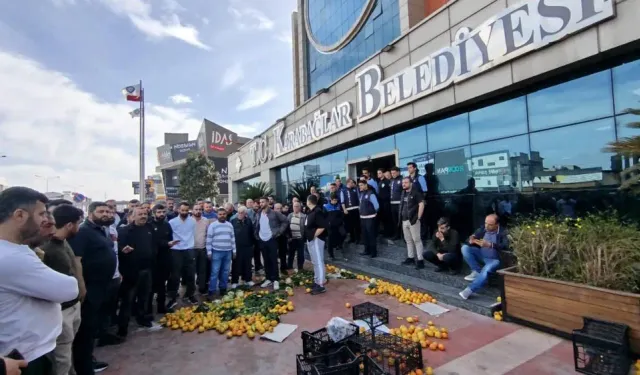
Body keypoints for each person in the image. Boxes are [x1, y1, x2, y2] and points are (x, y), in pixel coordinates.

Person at [0, 187, 79, 375]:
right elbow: (68, 289)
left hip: (28, 351)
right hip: (25, 357)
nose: (47, 220)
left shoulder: (16, 250)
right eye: (42, 214)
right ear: (19, 215)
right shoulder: (10, 257)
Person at [67, 201, 117, 375]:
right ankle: (84, 367)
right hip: (90, 287)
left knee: (93, 326)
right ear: (90, 213)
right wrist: (81, 286)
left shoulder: (100, 230)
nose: (106, 214)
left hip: (103, 285)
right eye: (101, 211)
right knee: (85, 330)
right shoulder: (83, 232)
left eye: (108, 211)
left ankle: (88, 360)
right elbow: (76, 260)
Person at [41, 204, 85, 375]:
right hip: (61, 310)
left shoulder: (63, 242)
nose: (79, 227)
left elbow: (73, 264)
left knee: (68, 349)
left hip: (73, 306)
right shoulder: (46, 249)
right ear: (69, 225)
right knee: (61, 357)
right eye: (78, 223)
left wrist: (81, 287)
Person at [116, 207, 155, 337]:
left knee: (144, 297)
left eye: (145, 214)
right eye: (140, 214)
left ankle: (142, 318)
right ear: (132, 216)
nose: (143, 216)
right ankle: (123, 327)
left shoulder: (149, 228)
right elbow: (119, 247)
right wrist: (123, 250)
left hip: (147, 269)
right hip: (131, 271)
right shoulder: (124, 230)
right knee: (128, 300)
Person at [459, 214, 508, 300]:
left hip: (494, 259)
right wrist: (472, 238)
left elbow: (505, 246)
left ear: (497, 225)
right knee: (465, 248)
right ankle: (477, 271)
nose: (487, 226)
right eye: (486, 223)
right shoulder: (483, 229)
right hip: (481, 255)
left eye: (490, 224)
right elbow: (471, 238)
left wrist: (491, 245)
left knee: (486, 270)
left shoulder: (503, 232)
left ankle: (469, 290)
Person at [254, 197, 288, 291]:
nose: (261, 204)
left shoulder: (275, 213)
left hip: (272, 239)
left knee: (273, 259)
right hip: (262, 240)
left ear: (268, 202)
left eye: (263, 202)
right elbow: (256, 225)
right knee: (266, 260)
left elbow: (285, 221)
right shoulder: (258, 213)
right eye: (260, 202)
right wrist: (257, 235)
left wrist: (279, 232)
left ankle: (276, 279)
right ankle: (268, 278)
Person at [167, 202, 197, 307]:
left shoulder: (192, 221)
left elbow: (192, 234)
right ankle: (173, 296)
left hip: (189, 249)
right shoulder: (172, 222)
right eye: (182, 210)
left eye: (186, 210)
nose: (184, 212)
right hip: (176, 250)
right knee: (175, 275)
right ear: (178, 210)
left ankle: (190, 294)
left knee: (190, 274)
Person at [148, 204, 174, 315]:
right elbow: (151, 241)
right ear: (154, 213)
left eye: (163, 212)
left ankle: (161, 307)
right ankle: (147, 310)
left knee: (162, 285)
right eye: (159, 212)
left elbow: (170, 240)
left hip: (165, 258)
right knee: (150, 286)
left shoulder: (167, 225)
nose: (161, 214)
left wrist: (168, 244)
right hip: (152, 259)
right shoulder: (148, 225)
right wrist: (165, 243)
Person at [206, 208, 236, 297]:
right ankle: (212, 290)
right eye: (220, 214)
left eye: (224, 214)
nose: (222, 216)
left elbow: (233, 238)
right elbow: (209, 239)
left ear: (226, 215)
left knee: (226, 271)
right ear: (217, 215)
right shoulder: (213, 225)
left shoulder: (230, 225)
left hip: (228, 252)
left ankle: (223, 288)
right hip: (216, 252)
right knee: (215, 271)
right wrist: (209, 252)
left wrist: (234, 251)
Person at [399, 176, 426, 269]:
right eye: (403, 183)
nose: (404, 184)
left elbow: (421, 204)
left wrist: (418, 217)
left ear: (411, 183)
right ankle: (410, 257)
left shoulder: (416, 193)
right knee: (408, 241)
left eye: (406, 182)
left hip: (413, 220)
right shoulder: (403, 193)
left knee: (417, 240)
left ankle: (420, 260)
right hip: (404, 220)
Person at [304, 194, 327, 295]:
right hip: (311, 239)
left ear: (309, 201)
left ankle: (321, 284)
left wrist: (313, 236)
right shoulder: (311, 211)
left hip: (317, 239)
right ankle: (316, 281)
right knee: (314, 262)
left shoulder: (318, 211)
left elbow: (322, 226)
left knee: (318, 261)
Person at [230, 206, 255, 288]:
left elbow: (252, 233)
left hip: (247, 246)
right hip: (237, 247)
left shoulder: (249, 221)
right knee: (236, 264)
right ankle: (234, 281)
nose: (240, 214)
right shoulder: (233, 221)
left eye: (242, 212)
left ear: (245, 213)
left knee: (247, 264)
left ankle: (248, 280)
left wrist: (252, 244)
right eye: (239, 212)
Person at [191, 203, 211, 296]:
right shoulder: (189, 221)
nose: (198, 211)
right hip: (192, 249)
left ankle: (202, 288)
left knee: (203, 269)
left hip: (203, 248)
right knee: (191, 270)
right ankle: (190, 290)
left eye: (200, 209)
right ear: (192, 210)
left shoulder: (206, 220)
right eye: (196, 209)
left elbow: (208, 233)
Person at [358, 179, 379, 258]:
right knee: (365, 235)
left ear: (365, 185)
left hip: (370, 218)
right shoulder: (361, 194)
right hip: (363, 218)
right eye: (359, 185)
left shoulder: (371, 193)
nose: (360, 187)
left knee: (371, 235)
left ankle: (373, 252)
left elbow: (377, 206)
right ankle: (366, 250)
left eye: (361, 185)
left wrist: (373, 212)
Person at [323, 193, 344, 261]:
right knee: (330, 240)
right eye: (334, 200)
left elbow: (341, 215)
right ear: (330, 200)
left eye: (336, 200)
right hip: (330, 226)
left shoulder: (338, 206)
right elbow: (324, 217)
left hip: (339, 225)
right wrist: (328, 224)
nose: (335, 201)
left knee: (343, 234)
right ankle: (330, 255)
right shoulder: (326, 207)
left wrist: (341, 221)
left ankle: (339, 244)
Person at [286, 201, 306, 272]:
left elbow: (305, 227)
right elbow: (286, 226)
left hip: (300, 238)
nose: (296, 208)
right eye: (294, 206)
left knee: (300, 254)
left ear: (300, 207)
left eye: (297, 206)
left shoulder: (304, 216)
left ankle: (300, 268)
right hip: (292, 239)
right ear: (292, 207)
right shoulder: (290, 215)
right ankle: (289, 267)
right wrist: (288, 237)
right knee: (291, 254)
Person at [340, 179, 360, 245]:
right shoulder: (343, 190)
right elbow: (342, 201)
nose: (353, 184)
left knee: (357, 225)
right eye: (352, 183)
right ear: (348, 183)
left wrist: (359, 207)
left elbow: (359, 198)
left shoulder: (355, 189)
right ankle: (352, 238)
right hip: (348, 210)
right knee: (350, 225)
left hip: (356, 208)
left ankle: (358, 238)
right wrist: (344, 209)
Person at [377, 169, 393, 238]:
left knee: (388, 218)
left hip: (387, 203)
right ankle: (385, 232)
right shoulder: (379, 182)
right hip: (381, 203)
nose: (378, 174)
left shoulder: (387, 181)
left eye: (380, 173)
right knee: (383, 218)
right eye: (378, 173)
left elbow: (390, 192)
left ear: (383, 173)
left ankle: (390, 233)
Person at [273, 203, 288, 275]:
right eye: (277, 208)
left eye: (280, 208)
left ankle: (283, 268)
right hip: (274, 238)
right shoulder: (271, 217)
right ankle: (274, 269)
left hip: (282, 237)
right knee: (273, 254)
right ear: (274, 209)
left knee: (283, 253)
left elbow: (286, 226)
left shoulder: (284, 216)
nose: (279, 210)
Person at [389, 167, 403, 240]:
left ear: (398, 172)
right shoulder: (391, 181)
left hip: (400, 204)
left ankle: (403, 236)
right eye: (391, 173)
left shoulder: (402, 179)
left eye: (394, 173)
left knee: (401, 220)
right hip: (392, 204)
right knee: (395, 220)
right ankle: (397, 234)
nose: (393, 174)